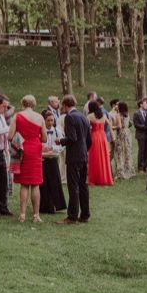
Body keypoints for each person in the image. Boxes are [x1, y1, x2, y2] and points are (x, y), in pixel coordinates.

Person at [56, 94, 91, 225]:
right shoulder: (83, 116)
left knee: (73, 186)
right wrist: (84, 151)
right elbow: (89, 140)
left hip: (74, 157)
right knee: (83, 186)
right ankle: (85, 214)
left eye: (62, 106)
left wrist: (60, 140)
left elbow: (72, 138)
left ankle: (72, 216)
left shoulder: (69, 117)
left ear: (65, 105)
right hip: (83, 156)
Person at [10, 95, 46, 223]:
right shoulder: (40, 117)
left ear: (23, 104)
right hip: (35, 150)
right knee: (35, 184)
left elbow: (10, 136)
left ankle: (23, 215)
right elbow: (45, 138)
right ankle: (36, 215)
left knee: (24, 184)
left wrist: (20, 137)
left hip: (23, 150)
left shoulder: (17, 116)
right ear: (34, 104)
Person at [39, 110, 66, 214]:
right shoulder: (40, 131)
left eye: (52, 120)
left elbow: (62, 145)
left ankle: (57, 205)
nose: (50, 123)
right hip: (43, 159)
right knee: (44, 183)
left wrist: (54, 148)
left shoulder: (57, 131)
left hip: (53, 158)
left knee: (55, 182)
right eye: (48, 120)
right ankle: (45, 206)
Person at [87, 100, 113, 186]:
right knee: (103, 157)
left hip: (94, 137)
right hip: (103, 137)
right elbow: (110, 125)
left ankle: (94, 179)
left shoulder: (90, 116)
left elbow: (86, 127)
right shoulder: (104, 115)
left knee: (94, 157)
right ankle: (105, 178)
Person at [112, 101, 134, 180]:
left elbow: (119, 126)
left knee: (119, 152)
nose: (116, 106)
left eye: (117, 105)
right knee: (127, 151)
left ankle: (121, 172)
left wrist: (112, 127)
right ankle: (129, 170)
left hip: (121, 134)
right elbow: (130, 124)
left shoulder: (118, 115)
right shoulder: (127, 114)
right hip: (127, 133)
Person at [133, 98, 147, 173]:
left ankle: (145, 166)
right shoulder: (136, 113)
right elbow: (136, 124)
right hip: (141, 135)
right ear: (141, 104)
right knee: (141, 151)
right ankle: (140, 167)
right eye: (145, 103)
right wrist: (145, 127)